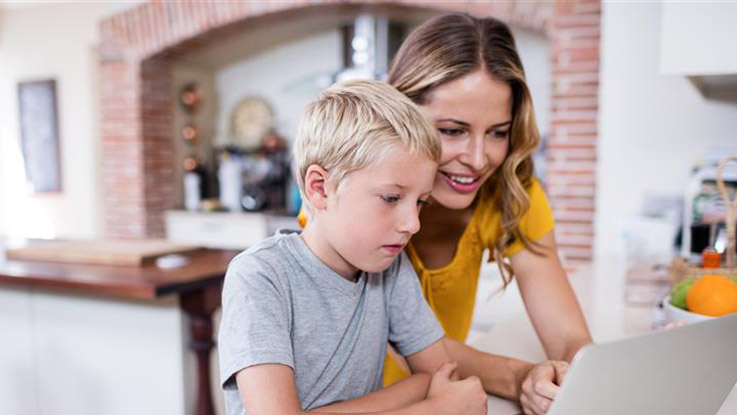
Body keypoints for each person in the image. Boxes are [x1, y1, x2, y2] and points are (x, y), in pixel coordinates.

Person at [218, 80, 488, 415]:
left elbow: (441, 378)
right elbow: (438, 396)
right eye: (391, 198)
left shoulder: (391, 266)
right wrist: (432, 409)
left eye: (420, 202)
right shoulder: (260, 277)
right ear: (320, 189)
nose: (413, 224)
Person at [381, 12, 594, 415]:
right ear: (401, 116)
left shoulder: (512, 193)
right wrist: (520, 377)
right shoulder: (352, 196)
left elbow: (568, 336)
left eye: (498, 132)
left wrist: (575, 376)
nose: (479, 160)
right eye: (452, 130)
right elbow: (394, 343)